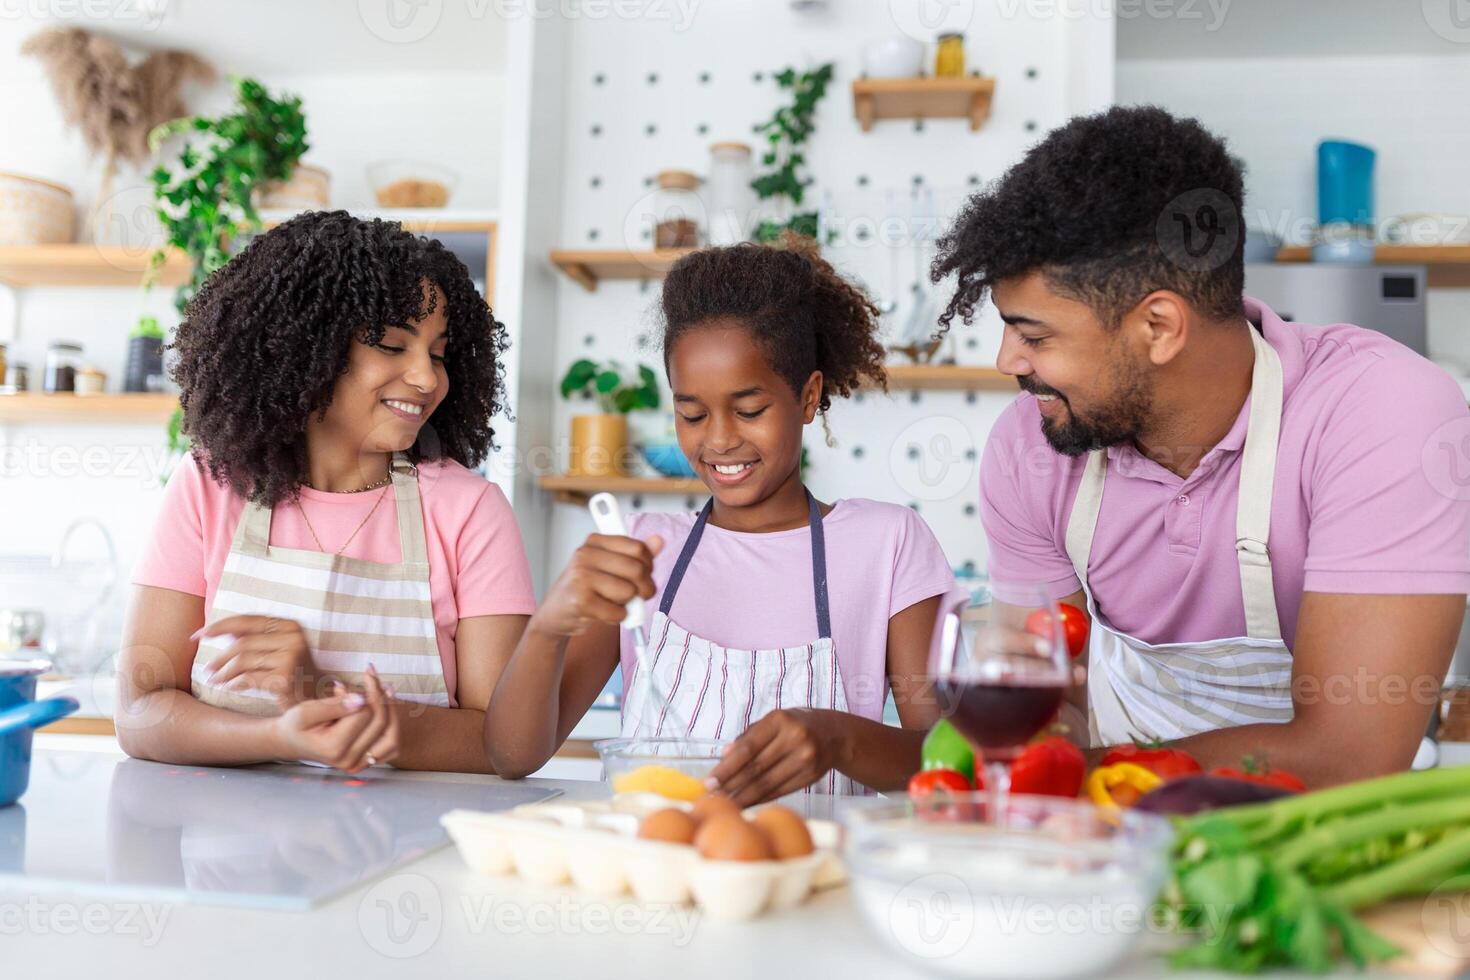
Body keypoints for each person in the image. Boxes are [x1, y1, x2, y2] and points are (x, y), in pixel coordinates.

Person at [934, 105, 1470, 786]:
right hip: (1114, 843)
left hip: (1325, 850)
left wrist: (1088, 776)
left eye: (1035, 337)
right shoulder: (1031, 444)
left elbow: (1349, 753)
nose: (1007, 360)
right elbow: (1050, 698)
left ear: (1159, 326)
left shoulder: (1383, 411)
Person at [485, 235, 958, 801]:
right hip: (654, 876)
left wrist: (839, 740)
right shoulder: (641, 547)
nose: (719, 439)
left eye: (749, 410)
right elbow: (513, 754)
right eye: (691, 413)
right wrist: (548, 628)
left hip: (815, 877)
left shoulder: (885, 543)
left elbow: (947, 765)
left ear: (808, 398)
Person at [117, 211, 535, 774]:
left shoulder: (470, 512)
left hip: (416, 852)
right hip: (232, 851)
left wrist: (322, 694)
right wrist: (281, 735)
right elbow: (140, 711)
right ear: (306, 348)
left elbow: (501, 741)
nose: (428, 378)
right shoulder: (210, 487)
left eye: (438, 353)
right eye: (392, 345)